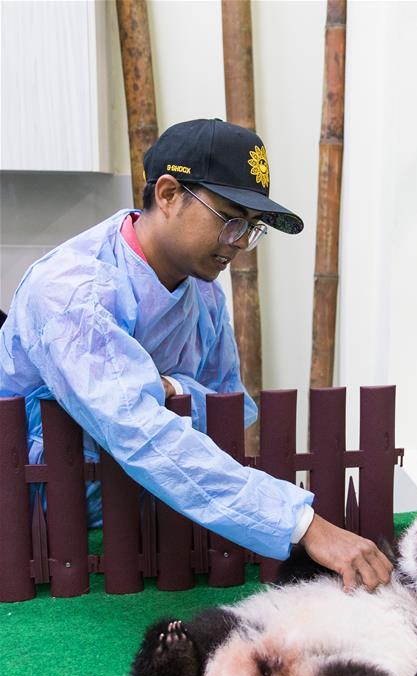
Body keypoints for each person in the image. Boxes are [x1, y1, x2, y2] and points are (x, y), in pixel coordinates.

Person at [0, 118, 392, 591]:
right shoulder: (69, 292)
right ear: (167, 194)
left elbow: (227, 412)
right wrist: (302, 523)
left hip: (150, 526)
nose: (239, 245)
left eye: (251, 229)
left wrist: (176, 389)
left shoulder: (203, 295)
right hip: (34, 537)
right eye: (230, 220)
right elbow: (141, 432)